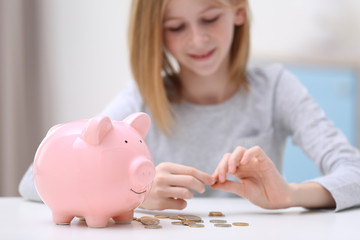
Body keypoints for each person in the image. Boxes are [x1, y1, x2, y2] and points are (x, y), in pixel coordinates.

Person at [19, 0, 360, 212]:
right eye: (176, 27)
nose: (197, 39)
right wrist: (127, 195)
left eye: (210, 18)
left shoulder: (276, 90)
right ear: (155, 33)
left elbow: (354, 173)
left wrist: (290, 195)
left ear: (238, 11)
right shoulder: (142, 99)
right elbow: (35, 179)